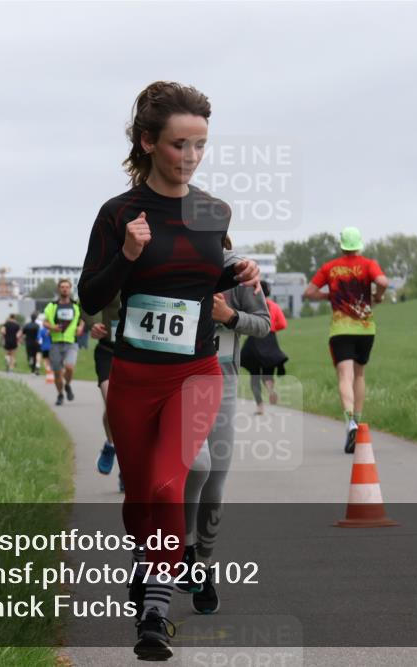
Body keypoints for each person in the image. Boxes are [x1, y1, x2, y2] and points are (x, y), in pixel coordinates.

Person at [77, 81, 260, 661]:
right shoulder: (117, 214)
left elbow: (196, 281)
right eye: (180, 144)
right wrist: (127, 256)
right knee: (139, 499)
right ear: (148, 142)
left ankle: (154, 610)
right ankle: (149, 559)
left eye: (201, 145)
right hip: (134, 377)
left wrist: (237, 274)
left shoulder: (214, 212)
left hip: (197, 373)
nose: (191, 156)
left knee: (166, 483)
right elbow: (90, 297)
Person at [181, 235, 270, 614]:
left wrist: (229, 316)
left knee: (215, 482)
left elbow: (264, 324)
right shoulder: (174, 265)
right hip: (179, 379)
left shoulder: (241, 273)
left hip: (224, 380)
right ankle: (183, 547)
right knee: (195, 465)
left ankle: (202, 565)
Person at [303, 226, 389, 453]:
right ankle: (358, 423)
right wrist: (378, 297)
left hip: (340, 330)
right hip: (365, 329)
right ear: (359, 244)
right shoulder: (369, 264)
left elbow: (308, 292)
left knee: (345, 375)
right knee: (359, 375)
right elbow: (383, 281)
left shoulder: (329, 267)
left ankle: (350, 422)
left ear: (341, 245)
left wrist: (329, 295)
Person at [84, 293, 124, 491]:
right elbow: (87, 299)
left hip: (139, 353)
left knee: (133, 414)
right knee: (113, 404)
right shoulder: (113, 277)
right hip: (108, 351)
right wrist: (93, 323)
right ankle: (110, 445)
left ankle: (127, 468)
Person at [239, 281, 289, 415]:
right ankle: (270, 388)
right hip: (270, 340)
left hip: (254, 340)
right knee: (267, 373)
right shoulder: (275, 306)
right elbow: (283, 324)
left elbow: (245, 322)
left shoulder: (251, 305)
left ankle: (260, 406)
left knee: (254, 375)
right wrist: (271, 328)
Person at [43, 279, 85, 406]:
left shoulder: (76, 305)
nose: (65, 289)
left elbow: (82, 319)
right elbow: (45, 322)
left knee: (69, 367)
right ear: (59, 289)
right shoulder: (52, 306)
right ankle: (60, 394)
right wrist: (52, 327)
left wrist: (80, 327)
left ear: (70, 289)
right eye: (62, 287)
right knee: (57, 372)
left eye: (67, 287)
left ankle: (67, 385)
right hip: (55, 343)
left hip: (71, 342)